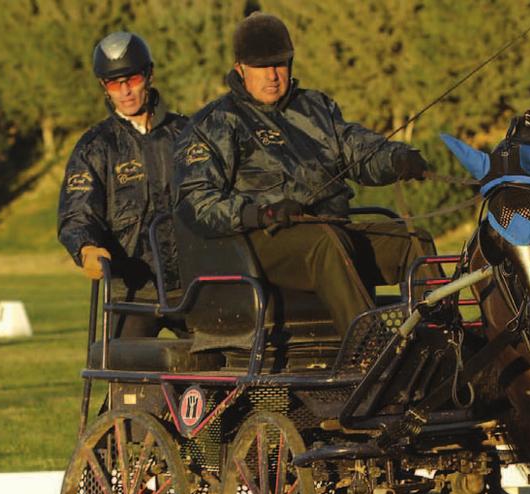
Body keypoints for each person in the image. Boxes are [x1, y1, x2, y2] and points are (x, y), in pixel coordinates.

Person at [173, 12, 436, 334]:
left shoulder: (316, 108)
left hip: (328, 230)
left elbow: (359, 150)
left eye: (280, 64)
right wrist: (260, 212)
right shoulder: (215, 123)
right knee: (325, 243)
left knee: (412, 242)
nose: (272, 75)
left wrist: (396, 158)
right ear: (240, 68)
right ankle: (371, 348)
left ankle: (436, 336)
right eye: (261, 66)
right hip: (257, 244)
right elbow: (196, 202)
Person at [58, 31, 187, 338]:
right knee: (123, 376)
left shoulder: (188, 133)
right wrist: (86, 248)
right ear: (105, 87)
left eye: (133, 79)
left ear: (149, 74)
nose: (126, 91)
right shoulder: (95, 146)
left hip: (192, 284)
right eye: (115, 83)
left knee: (220, 373)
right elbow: (78, 213)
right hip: (132, 290)